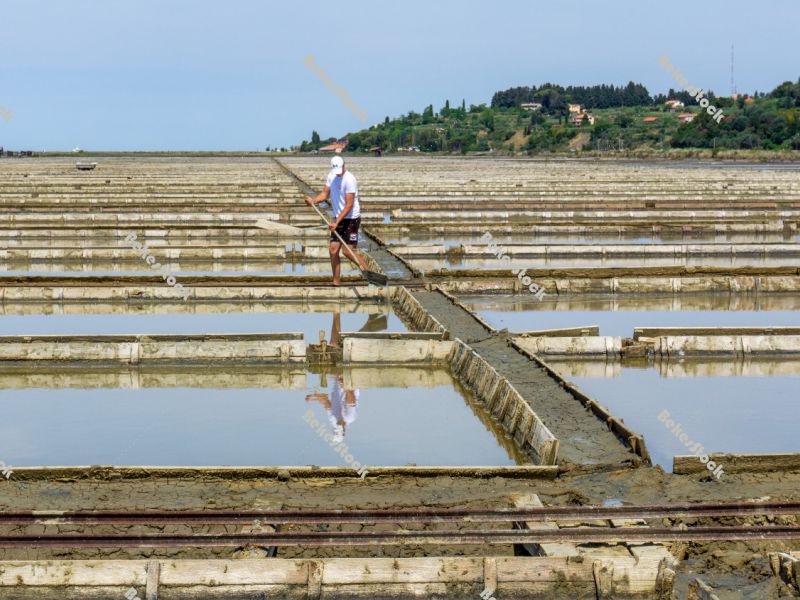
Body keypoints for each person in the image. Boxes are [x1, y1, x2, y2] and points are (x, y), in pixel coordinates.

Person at [304, 156, 369, 285]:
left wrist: (337, 222)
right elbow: (324, 194)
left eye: (340, 170)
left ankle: (369, 274)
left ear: (344, 165)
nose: (338, 173)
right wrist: (314, 201)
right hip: (338, 218)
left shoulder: (350, 179)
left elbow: (349, 205)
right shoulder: (331, 176)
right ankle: (336, 282)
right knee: (333, 250)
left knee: (347, 251)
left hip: (351, 218)